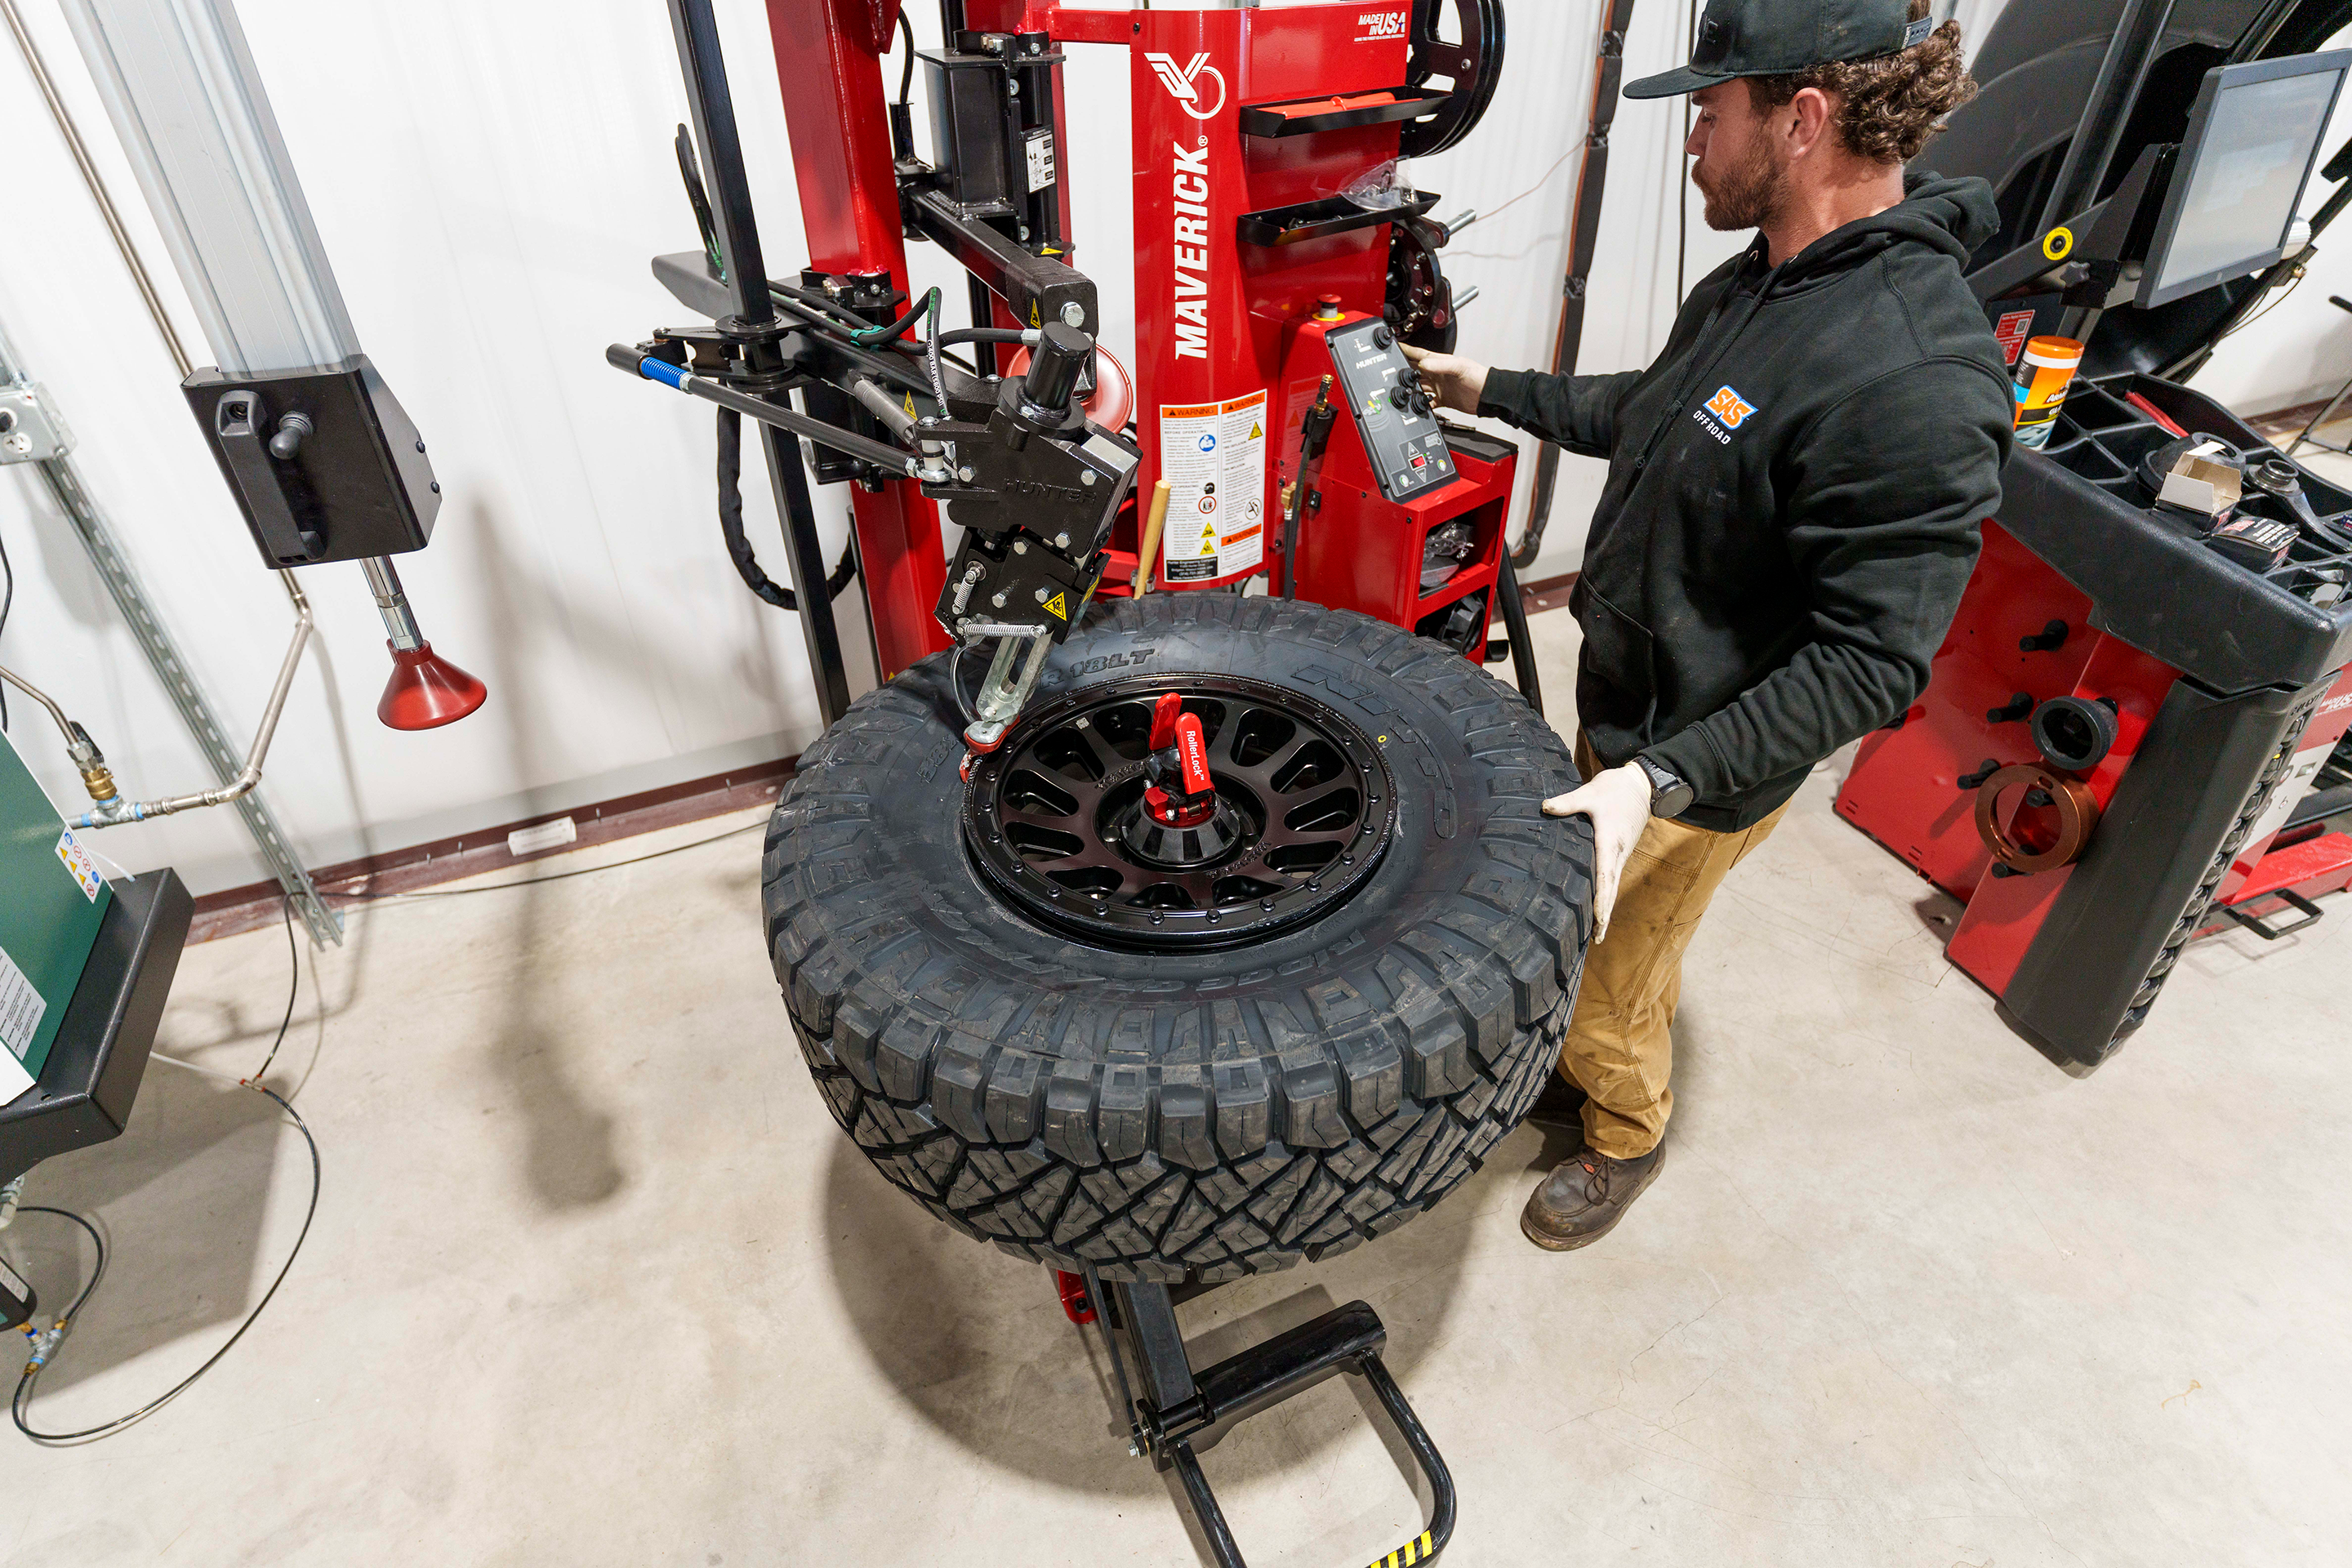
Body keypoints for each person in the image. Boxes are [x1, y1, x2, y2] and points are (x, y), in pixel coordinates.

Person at [1405, 0, 2014, 1251]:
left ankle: (1624, 1131)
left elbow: (1871, 661)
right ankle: (1584, 1067)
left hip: (1704, 759)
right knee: (1583, 934)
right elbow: (1665, 410)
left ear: (1801, 122)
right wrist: (1492, 388)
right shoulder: (1768, 280)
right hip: (1637, 714)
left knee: (1618, 978)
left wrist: (1663, 778)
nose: (1693, 136)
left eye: (1712, 108)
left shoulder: (1911, 380)